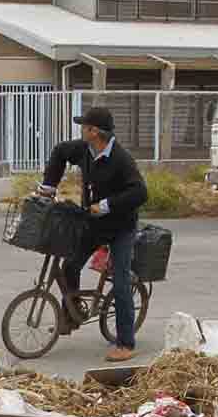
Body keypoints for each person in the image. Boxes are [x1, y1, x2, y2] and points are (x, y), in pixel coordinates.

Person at [36, 106, 149, 362]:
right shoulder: (84, 149)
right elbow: (59, 152)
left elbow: (140, 193)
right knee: (70, 265)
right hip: (94, 224)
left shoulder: (121, 160)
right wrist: (49, 186)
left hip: (121, 227)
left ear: (94, 131)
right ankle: (70, 315)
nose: (81, 129)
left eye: (84, 126)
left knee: (120, 283)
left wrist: (107, 204)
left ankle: (126, 343)